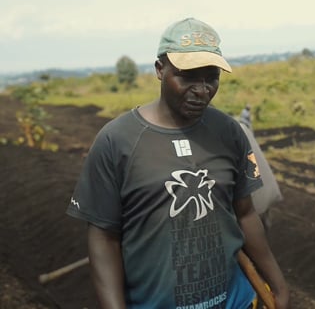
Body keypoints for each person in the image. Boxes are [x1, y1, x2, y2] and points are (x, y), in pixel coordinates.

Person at [66, 17, 289, 309]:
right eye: (188, 76)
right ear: (160, 70)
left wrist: (279, 285)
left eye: (211, 77)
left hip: (235, 302)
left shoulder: (228, 132)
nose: (202, 89)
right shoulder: (117, 141)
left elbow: (245, 214)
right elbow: (104, 238)